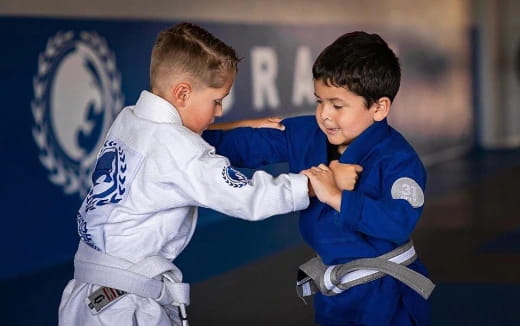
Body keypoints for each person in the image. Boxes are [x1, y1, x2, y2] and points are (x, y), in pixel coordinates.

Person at [58, 22, 311, 326]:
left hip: (84, 296)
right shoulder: (178, 150)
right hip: (124, 307)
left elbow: (170, 139)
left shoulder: (129, 119)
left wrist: (237, 127)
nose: (218, 112)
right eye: (217, 101)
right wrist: (308, 185)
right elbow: (245, 197)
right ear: (182, 93)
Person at [203, 31, 434, 325]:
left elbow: (399, 222)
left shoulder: (398, 159)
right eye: (319, 101)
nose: (324, 115)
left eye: (337, 106)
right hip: (335, 291)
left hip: (386, 293)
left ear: (379, 107)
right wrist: (181, 135)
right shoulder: (305, 134)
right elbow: (240, 146)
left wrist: (337, 197)